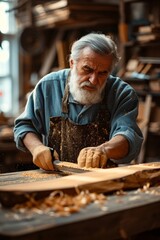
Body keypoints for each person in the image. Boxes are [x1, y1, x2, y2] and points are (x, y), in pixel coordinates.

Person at [14, 32, 143, 171]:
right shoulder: (48, 86)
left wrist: (104, 150)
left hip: (103, 180)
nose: (93, 80)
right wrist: (37, 147)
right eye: (87, 69)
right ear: (72, 63)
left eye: (102, 73)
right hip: (54, 178)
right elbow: (24, 126)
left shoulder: (122, 93)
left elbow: (127, 134)